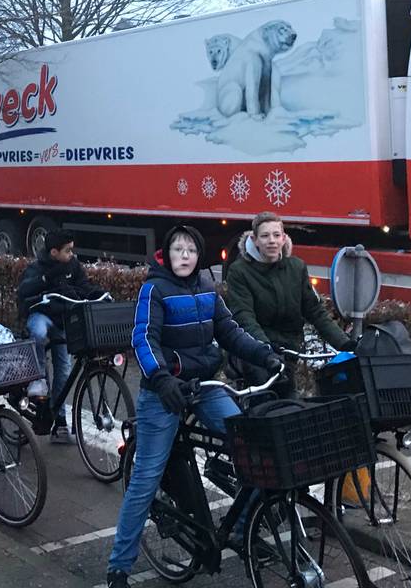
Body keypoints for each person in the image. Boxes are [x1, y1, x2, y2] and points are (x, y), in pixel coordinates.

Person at [106, 225, 281, 588]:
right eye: (177, 249)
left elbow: (229, 331)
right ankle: (118, 567)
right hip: (164, 392)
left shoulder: (207, 288)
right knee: (146, 477)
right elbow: (143, 338)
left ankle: (242, 528)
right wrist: (161, 378)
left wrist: (263, 354)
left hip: (205, 387)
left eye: (190, 250)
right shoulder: (154, 289)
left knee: (249, 446)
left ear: (199, 255)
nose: (184, 256)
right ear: (167, 254)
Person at [225, 212, 353, 396]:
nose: (272, 241)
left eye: (276, 235)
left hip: (288, 350)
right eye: (265, 236)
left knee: (290, 405)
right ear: (254, 240)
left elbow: (315, 311)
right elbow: (244, 316)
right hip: (254, 351)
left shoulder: (296, 267)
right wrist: (265, 348)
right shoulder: (239, 271)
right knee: (265, 402)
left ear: (284, 238)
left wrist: (344, 344)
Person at [16, 229, 105, 442]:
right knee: (37, 331)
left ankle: (60, 422)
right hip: (44, 314)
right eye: (68, 251)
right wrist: (45, 280)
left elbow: (82, 285)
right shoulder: (37, 267)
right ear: (54, 252)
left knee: (63, 372)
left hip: (63, 320)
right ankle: (37, 378)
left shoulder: (73, 266)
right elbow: (24, 291)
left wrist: (97, 293)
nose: (72, 255)